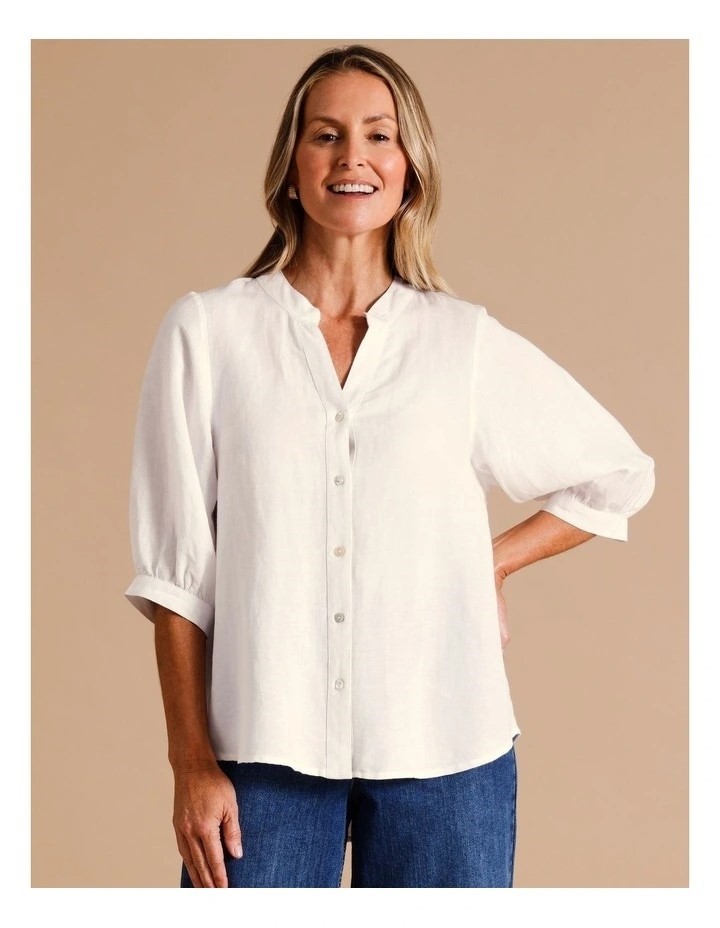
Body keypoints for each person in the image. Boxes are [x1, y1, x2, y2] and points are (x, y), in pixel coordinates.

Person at [123, 44, 655, 889]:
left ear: (410, 170)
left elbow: (616, 474)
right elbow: (176, 577)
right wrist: (190, 763)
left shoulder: (459, 342)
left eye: (379, 135)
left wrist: (487, 563)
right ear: (291, 166)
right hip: (261, 750)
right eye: (326, 135)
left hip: (448, 750)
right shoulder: (209, 333)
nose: (353, 158)